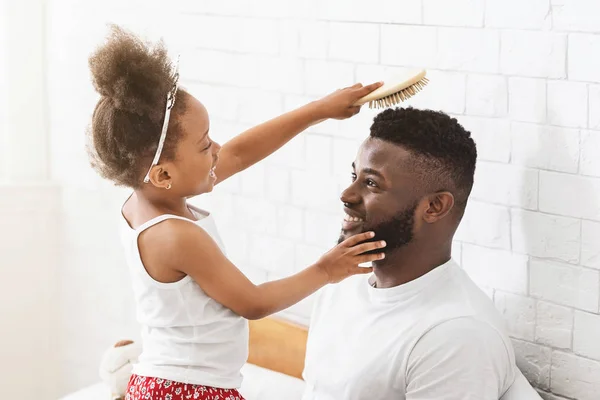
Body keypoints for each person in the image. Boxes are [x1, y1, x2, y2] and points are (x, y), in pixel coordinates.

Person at [87, 26, 386, 400]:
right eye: (204, 145)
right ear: (163, 174)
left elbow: (241, 153)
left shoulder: (149, 197)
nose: (216, 149)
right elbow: (253, 302)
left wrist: (319, 110)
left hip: (167, 382)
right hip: (186, 390)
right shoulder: (175, 235)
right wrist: (326, 269)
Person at [302, 107, 532, 400]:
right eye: (354, 174)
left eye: (371, 183)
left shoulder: (457, 334)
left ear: (434, 207)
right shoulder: (340, 286)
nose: (347, 195)